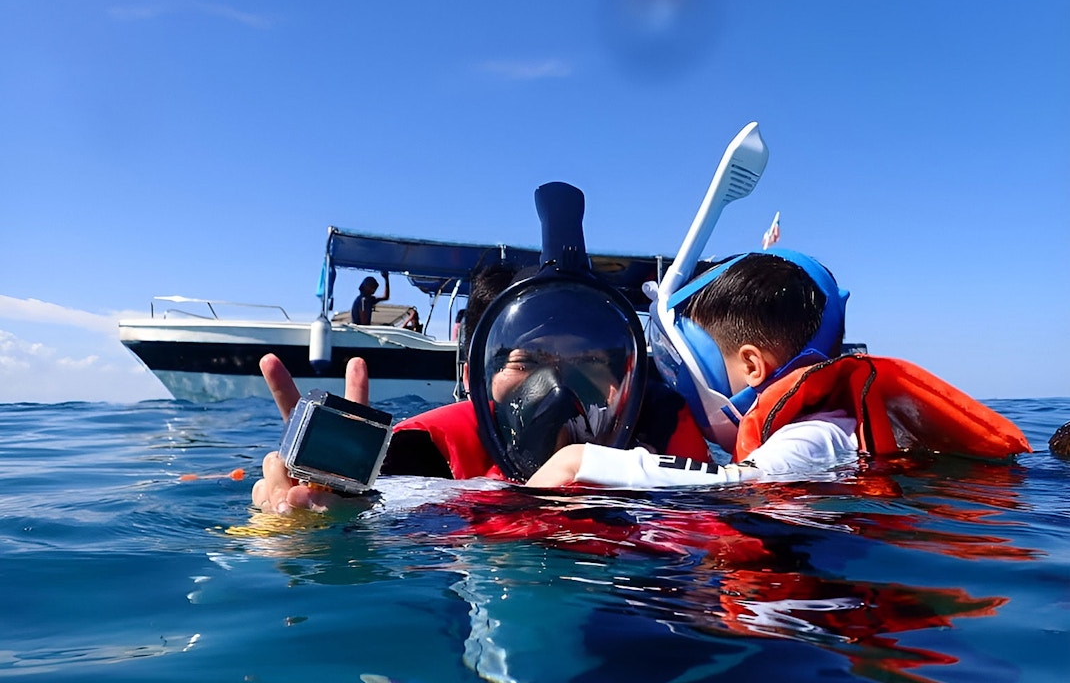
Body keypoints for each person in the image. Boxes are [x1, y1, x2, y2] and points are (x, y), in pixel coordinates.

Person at [252, 182, 708, 513]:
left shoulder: (662, 446)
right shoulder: (420, 462)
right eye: (526, 360)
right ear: (473, 380)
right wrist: (302, 520)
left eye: (588, 361)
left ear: (627, 384)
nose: (558, 387)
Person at [526, 249, 1032, 488]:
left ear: (750, 365)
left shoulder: (818, 434)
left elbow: (737, 486)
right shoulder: (815, 424)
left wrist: (582, 462)